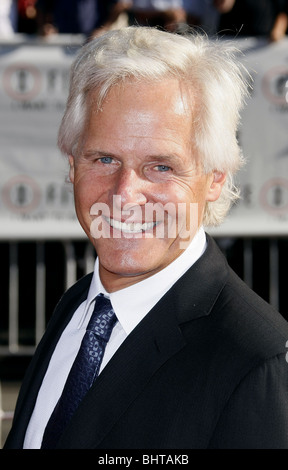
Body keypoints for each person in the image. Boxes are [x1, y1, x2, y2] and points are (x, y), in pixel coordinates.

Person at [4, 26, 288, 449]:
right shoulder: (77, 309)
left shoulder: (253, 358)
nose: (123, 194)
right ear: (72, 165)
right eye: (104, 158)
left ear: (215, 179)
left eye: (161, 167)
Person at [214, 0, 288, 42]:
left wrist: (278, 31)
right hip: (232, 41)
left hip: (264, 44)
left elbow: (282, 13)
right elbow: (221, 6)